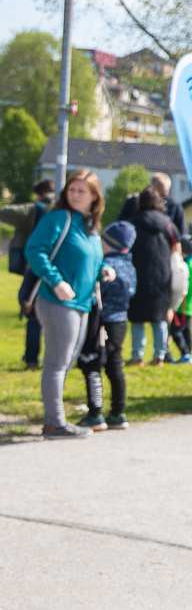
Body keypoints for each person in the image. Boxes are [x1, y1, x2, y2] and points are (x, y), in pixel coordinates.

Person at [24, 171, 116, 439]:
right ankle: (55, 423)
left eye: (81, 191)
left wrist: (105, 269)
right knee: (56, 362)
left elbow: (91, 262)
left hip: (82, 303)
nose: (75, 194)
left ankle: (56, 419)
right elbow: (34, 250)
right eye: (72, 189)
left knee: (65, 361)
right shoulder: (58, 218)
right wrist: (56, 281)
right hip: (57, 301)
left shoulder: (89, 227)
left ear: (94, 197)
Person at [77, 220, 137, 431]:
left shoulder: (106, 265)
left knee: (92, 363)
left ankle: (95, 413)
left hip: (102, 321)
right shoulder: (130, 266)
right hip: (121, 321)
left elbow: (94, 289)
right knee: (115, 365)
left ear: (108, 244)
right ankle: (118, 412)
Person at [3, 179, 57, 368]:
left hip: (36, 263)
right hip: (61, 265)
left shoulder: (35, 209)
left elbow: (8, 213)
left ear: (39, 193)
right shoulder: (64, 207)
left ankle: (32, 359)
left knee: (33, 316)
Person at [126, 187, 178, 366]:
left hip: (138, 274)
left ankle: (137, 356)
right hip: (162, 276)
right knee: (160, 318)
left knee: (137, 319)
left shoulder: (132, 222)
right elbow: (176, 249)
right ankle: (160, 355)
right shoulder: (167, 224)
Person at [117, 171, 186, 239]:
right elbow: (120, 226)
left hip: (163, 247)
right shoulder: (133, 202)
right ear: (151, 188)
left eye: (163, 195)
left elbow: (180, 235)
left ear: (168, 190)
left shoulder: (174, 206)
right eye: (157, 194)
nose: (159, 199)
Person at [168, 240, 192, 364]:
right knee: (187, 330)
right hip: (191, 305)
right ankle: (188, 353)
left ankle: (186, 354)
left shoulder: (185, 265)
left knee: (175, 330)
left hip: (182, 304)